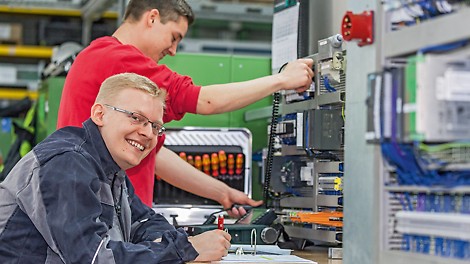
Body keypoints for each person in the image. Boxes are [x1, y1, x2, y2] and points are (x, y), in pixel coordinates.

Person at [57, 0, 314, 213]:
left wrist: (221, 192)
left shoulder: (95, 54)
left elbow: (153, 155)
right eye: (174, 37)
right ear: (152, 18)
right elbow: (205, 101)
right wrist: (282, 80)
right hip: (104, 217)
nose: (173, 50)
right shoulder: (119, 59)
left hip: (94, 213)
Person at [0, 73, 231, 263]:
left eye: (155, 126)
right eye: (136, 118)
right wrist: (185, 249)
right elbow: (92, 258)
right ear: (99, 114)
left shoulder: (111, 170)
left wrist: (173, 245)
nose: (148, 133)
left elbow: (145, 222)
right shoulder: (67, 162)